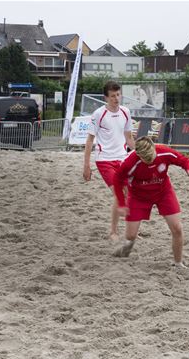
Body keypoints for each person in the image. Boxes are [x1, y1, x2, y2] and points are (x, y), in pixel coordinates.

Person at [112, 136, 189, 267]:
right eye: (146, 159)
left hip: (163, 192)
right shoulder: (129, 162)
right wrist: (122, 204)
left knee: (177, 228)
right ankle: (127, 246)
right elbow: (117, 180)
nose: (150, 161)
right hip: (138, 196)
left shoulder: (163, 151)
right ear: (138, 155)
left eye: (151, 157)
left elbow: (183, 160)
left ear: (154, 148)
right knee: (130, 236)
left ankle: (178, 263)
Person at [83, 80, 135, 241]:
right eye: (112, 96)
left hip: (122, 158)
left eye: (118, 95)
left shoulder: (126, 112)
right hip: (104, 159)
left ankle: (131, 231)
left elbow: (129, 138)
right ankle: (113, 231)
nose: (116, 99)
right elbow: (90, 141)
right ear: (106, 98)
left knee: (129, 194)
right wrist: (86, 165)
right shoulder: (99, 114)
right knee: (119, 193)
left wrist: (140, 154)